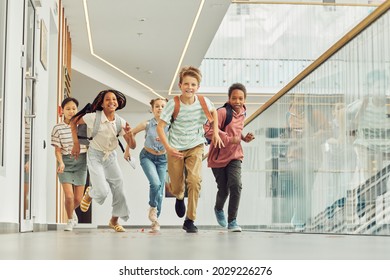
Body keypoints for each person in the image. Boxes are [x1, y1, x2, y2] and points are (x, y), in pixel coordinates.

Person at [156, 66, 223, 233]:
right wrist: (169, 149)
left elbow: (214, 113)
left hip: (195, 145)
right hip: (175, 148)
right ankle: (179, 196)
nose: (189, 87)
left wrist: (215, 133)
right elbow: (160, 127)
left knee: (194, 181)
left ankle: (190, 219)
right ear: (180, 85)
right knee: (177, 185)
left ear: (198, 87)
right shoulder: (173, 104)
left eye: (193, 84)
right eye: (186, 84)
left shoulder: (203, 102)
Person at [70, 89, 136, 232]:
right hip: (95, 155)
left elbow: (132, 145)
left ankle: (114, 220)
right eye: (107, 99)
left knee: (120, 189)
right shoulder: (93, 117)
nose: (111, 101)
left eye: (114, 99)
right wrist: (76, 143)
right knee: (102, 191)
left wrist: (130, 136)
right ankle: (90, 194)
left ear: (118, 103)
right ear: (102, 103)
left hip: (111, 156)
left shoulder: (121, 122)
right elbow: (73, 121)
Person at [205, 83, 255, 232]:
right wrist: (228, 138)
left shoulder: (243, 113)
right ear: (229, 98)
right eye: (234, 98)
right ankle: (218, 208)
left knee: (236, 185)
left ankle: (232, 220)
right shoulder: (221, 112)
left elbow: (236, 132)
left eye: (241, 98)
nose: (238, 101)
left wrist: (244, 138)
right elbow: (207, 130)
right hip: (218, 157)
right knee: (223, 190)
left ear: (245, 99)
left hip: (235, 155)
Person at [124, 97, 169, 233]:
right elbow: (131, 134)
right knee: (155, 184)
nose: (160, 108)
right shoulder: (147, 124)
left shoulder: (170, 125)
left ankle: (155, 220)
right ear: (152, 109)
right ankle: (152, 206)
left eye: (162, 106)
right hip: (147, 157)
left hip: (162, 159)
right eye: (157, 106)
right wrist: (127, 151)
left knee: (160, 192)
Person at [51, 97, 87, 231]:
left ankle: (72, 213)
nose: (71, 111)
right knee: (69, 196)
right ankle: (70, 220)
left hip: (81, 162)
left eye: (73, 109)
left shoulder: (82, 126)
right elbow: (57, 150)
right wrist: (60, 163)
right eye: (68, 109)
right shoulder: (57, 128)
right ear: (62, 110)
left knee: (77, 198)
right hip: (65, 163)